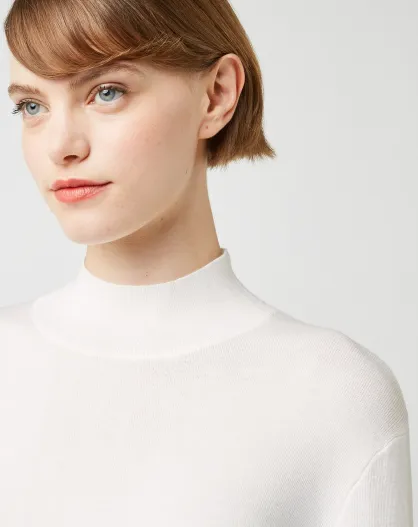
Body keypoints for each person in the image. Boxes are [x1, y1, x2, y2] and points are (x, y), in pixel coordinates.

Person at [0, 0, 413, 525]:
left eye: (107, 92)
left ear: (216, 95)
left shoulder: (337, 394)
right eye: (31, 106)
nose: (61, 146)